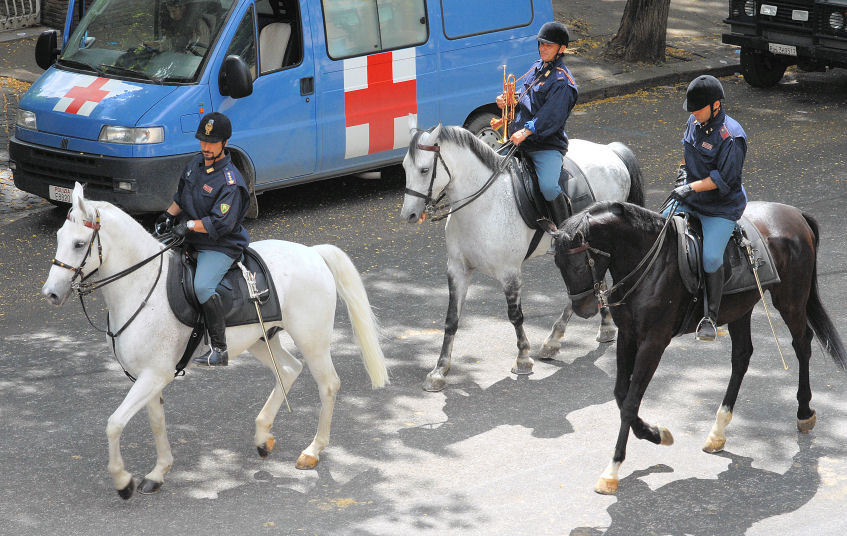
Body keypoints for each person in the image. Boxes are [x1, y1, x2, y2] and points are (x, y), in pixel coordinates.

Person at [155, 112, 250, 366]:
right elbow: (181, 195)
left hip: (219, 244)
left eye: (212, 143)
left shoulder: (231, 182)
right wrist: (168, 215)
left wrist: (187, 225)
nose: (205, 147)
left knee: (202, 287)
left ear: (225, 143)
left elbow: (220, 222)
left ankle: (219, 348)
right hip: (191, 236)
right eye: (202, 141)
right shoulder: (195, 164)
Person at [666, 75, 748, 342]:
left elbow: (723, 181)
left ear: (715, 106)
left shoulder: (731, 136)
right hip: (691, 199)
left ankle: (710, 316)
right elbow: (686, 151)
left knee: (711, 258)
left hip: (720, 207)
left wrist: (689, 188)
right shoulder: (694, 120)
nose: (693, 114)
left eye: (697, 109)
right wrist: (682, 174)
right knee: (659, 230)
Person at [496, 20, 578, 226]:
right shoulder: (537, 68)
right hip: (519, 141)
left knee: (549, 187)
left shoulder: (563, 82)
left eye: (548, 45)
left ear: (562, 49)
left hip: (545, 145)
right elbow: (525, 95)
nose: (542, 48)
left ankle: (566, 233)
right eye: (541, 44)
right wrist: (510, 98)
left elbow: (550, 117)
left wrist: (526, 132)